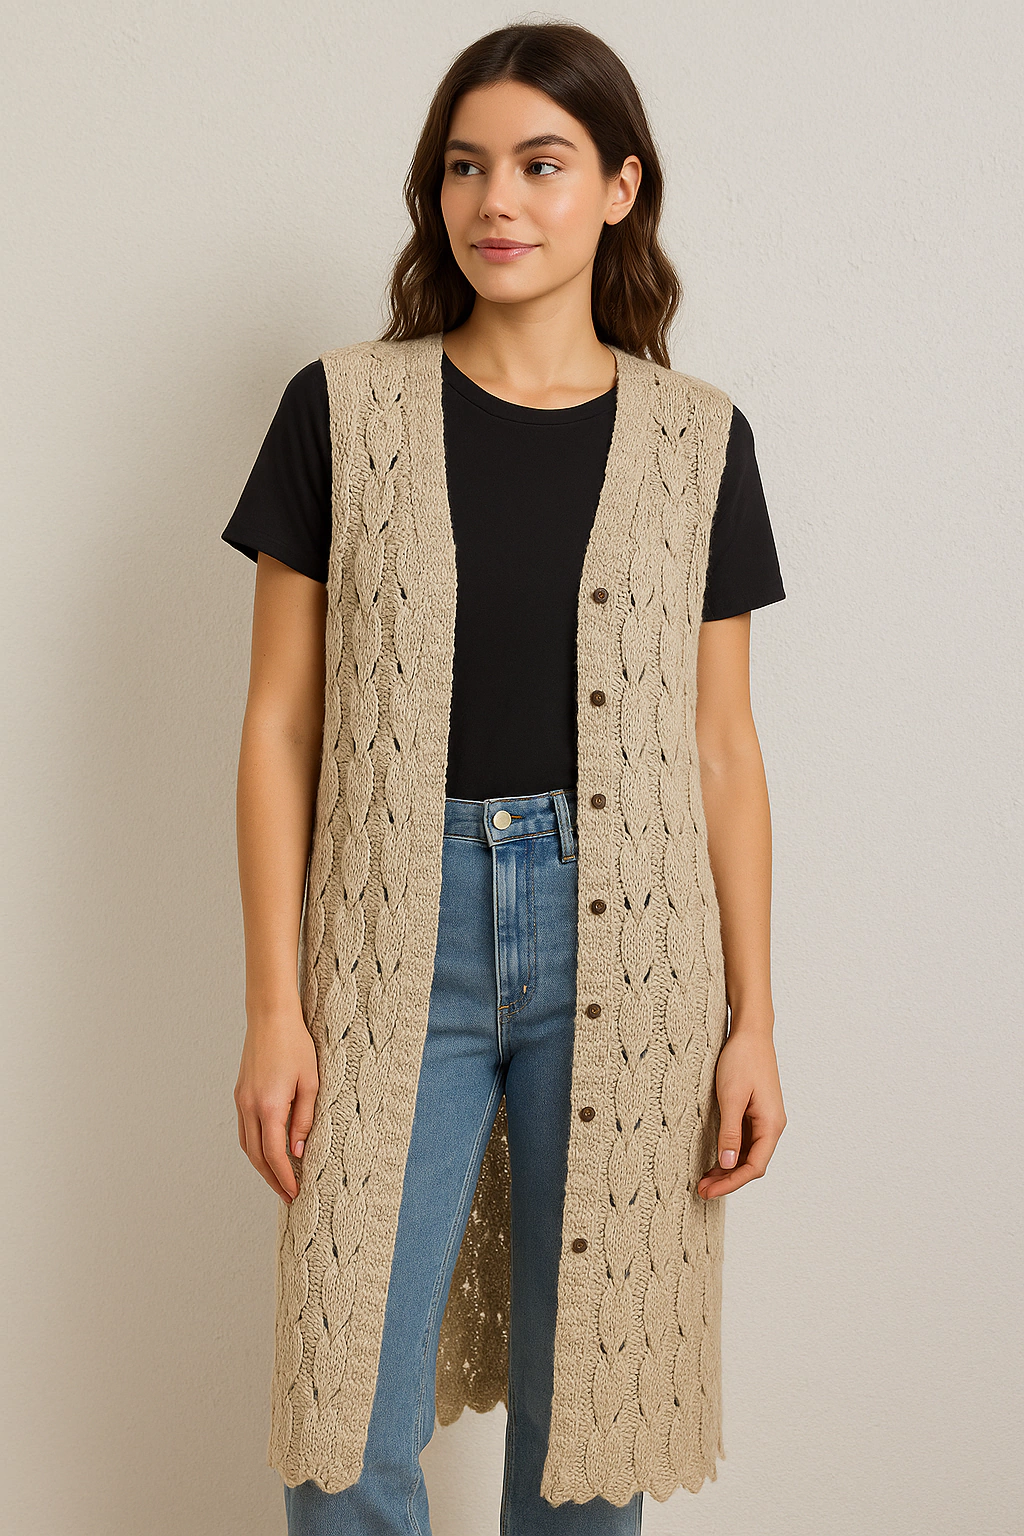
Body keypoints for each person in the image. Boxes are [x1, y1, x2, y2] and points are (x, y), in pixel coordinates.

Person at [222, 20, 788, 1536]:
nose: (498, 201)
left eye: (542, 164)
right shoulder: (343, 411)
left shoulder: (697, 441)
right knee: (341, 1415)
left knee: (587, 1421)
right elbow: (279, 725)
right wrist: (275, 1006)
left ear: (620, 188)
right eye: (466, 167)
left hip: (636, 946)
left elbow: (724, 750)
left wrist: (754, 1020)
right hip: (388, 941)